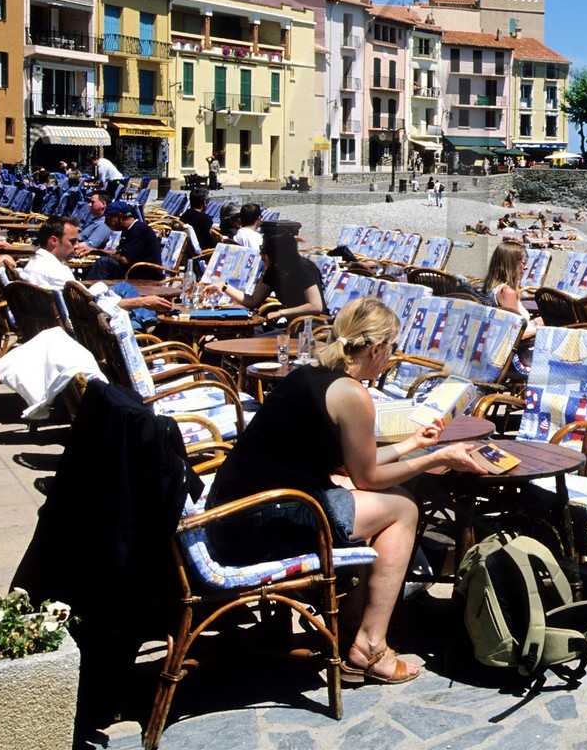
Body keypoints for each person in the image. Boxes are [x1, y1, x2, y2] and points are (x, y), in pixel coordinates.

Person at [206, 298, 491, 685]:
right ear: (375, 349)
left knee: (384, 503)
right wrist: (438, 458)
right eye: (391, 348)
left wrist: (412, 445)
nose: (390, 357)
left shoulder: (309, 375)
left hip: (231, 514)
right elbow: (368, 477)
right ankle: (370, 646)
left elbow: (351, 464)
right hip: (263, 524)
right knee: (403, 509)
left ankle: (351, 625)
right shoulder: (352, 394)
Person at [20, 215, 173, 322]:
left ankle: (147, 320)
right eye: (72, 241)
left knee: (123, 287)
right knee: (143, 319)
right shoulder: (55, 272)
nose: (76, 246)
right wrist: (142, 302)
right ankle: (150, 324)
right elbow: (95, 305)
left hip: (73, 316)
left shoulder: (35, 266)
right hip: (90, 329)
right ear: (53, 241)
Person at [209, 221, 324, 324]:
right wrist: (224, 286)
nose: (261, 256)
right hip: (292, 323)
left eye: (265, 252)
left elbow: (316, 306)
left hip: (311, 324)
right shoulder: (273, 271)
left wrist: (281, 313)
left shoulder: (302, 270)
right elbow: (253, 301)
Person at [84, 201, 163, 280]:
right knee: (97, 265)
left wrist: (109, 256)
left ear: (120, 217)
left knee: (103, 263)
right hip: (133, 271)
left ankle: (87, 290)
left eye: (108, 219)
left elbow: (124, 259)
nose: (105, 223)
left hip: (146, 275)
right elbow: (119, 252)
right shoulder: (128, 230)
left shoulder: (139, 230)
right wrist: (96, 251)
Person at [479, 243, 529, 324]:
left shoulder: (488, 285)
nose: (526, 267)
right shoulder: (507, 292)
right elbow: (514, 328)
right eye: (523, 262)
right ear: (512, 265)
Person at [178, 188, 217, 253]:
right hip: (205, 253)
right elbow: (209, 241)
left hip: (187, 251)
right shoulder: (205, 219)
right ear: (205, 203)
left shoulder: (184, 216)